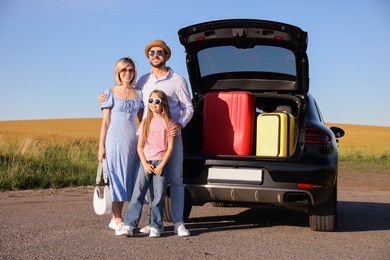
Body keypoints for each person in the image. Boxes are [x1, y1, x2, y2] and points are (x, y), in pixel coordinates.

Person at [99, 39, 194, 237]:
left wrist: (180, 124)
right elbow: (131, 100)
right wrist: (104, 97)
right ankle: (152, 223)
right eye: (151, 53)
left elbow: (189, 107)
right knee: (147, 181)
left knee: (175, 178)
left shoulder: (178, 80)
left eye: (160, 52)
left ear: (166, 55)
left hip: (171, 137)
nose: (155, 56)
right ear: (148, 57)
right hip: (147, 141)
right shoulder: (143, 81)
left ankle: (178, 222)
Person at [116, 90, 174, 238]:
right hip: (146, 163)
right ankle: (129, 224)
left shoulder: (169, 123)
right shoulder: (145, 122)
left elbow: (170, 147)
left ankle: (156, 226)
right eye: (150, 100)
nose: (153, 104)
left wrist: (161, 166)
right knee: (138, 194)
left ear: (163, 104)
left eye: (157, 101)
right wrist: (145, 164)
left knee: (158, 196)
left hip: (161, 163)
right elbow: (140, 146)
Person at [98, 57, 143, 234]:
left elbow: (142, 119)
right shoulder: (109, 92)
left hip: (133, 141)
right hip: (115, 140)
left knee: (130, 179)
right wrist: (101, 146)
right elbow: (106, 121)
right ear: (118, 72)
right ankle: (117, 220)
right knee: (117, 178)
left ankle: (123, 219)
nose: (128, 73)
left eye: (131, 70)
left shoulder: (139, 93)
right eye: (124, 70)